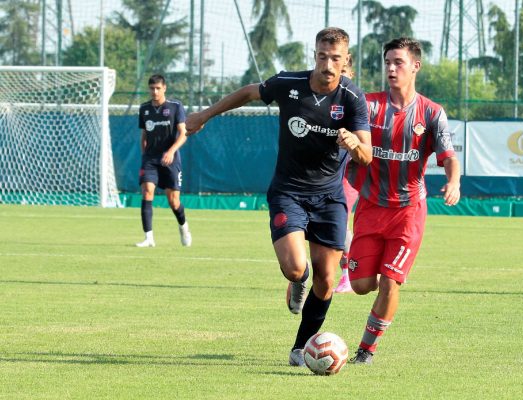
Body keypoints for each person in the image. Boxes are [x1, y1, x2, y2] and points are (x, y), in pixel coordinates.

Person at [185, 27, 372, 366]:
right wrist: (204, 115)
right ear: (314, 54)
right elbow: (248, 92)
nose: (327, 64)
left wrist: (354, 144)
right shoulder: (289, 84)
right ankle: (298, 282)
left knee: (328, 279)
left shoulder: (353, 98)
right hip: (289, 191)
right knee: (295, 267)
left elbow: (367, 156)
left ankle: (300, 347)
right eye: (322, 56)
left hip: (330, 198)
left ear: (346, 60)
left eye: (335, 58)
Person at [345, 37, 461, 364]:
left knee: (390, 282)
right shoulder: (367, 106)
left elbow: (449, 157)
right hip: (370, 207)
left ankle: (366, 350)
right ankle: (351, 261)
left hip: (408, 212)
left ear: (415, 66)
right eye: (387, 63)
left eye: (398, 62)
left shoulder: (432, 113)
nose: (392, 69)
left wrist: (454, 182)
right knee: (362, 285)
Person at [136, 74, 192, 248]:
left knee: (173, 201)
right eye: (152, 88)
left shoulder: (175, 107)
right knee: (147, 192)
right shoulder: (144, 108)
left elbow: (184, 134)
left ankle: (183, 228)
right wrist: (145, 156)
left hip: (171, 159)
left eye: (158, 88)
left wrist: (171, 151)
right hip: (151, 159)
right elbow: (144, 134)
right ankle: (149, 238)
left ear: (164, 88)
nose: (154, 91)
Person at [335, 56, 359, 294]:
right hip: (324, 174)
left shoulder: (354, 102)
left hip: (348, 174)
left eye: (343, 71)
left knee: (341, 221)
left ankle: (349, 274)